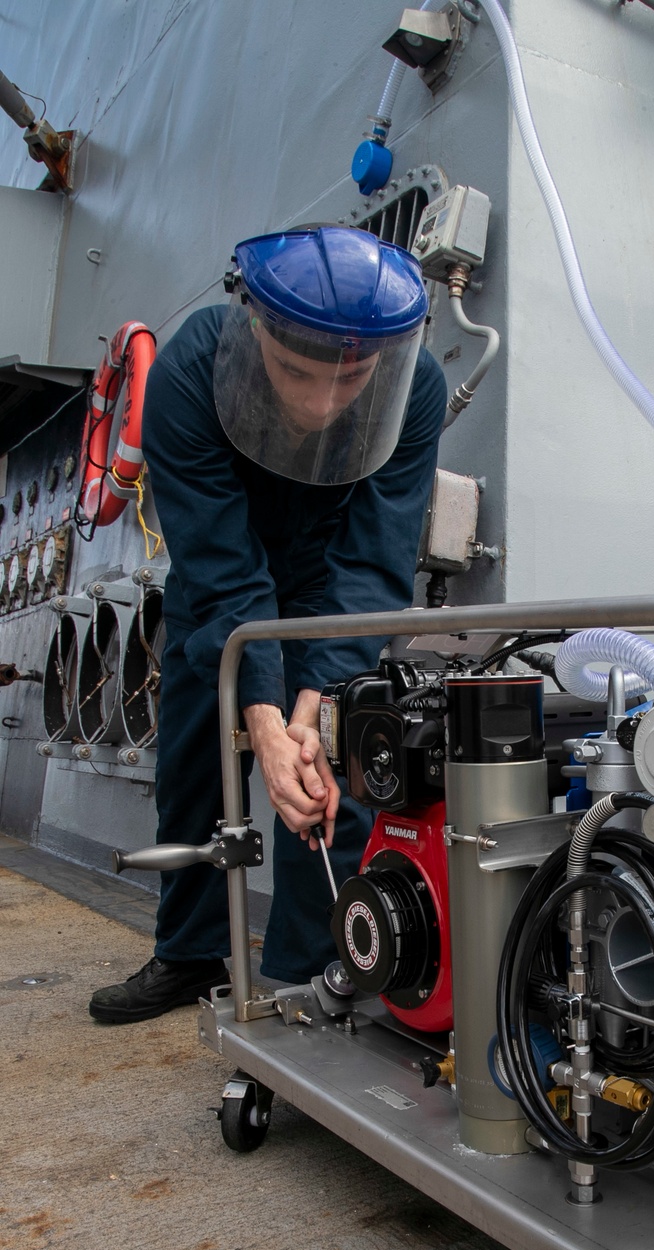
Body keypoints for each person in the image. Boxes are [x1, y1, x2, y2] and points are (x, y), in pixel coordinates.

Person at [89, 226, 446, 1022]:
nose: (323, 405)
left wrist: (312, 708)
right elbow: (221, 563)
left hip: (332, 583)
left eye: (350, 381)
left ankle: (308, 974)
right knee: (196, 767)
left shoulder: (414, 388)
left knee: (332, 781)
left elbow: (373, 561)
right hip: (219, 583)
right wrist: (258, 712)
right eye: (296, 374)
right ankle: (186, 952)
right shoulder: (188, 372)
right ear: (254, 329)